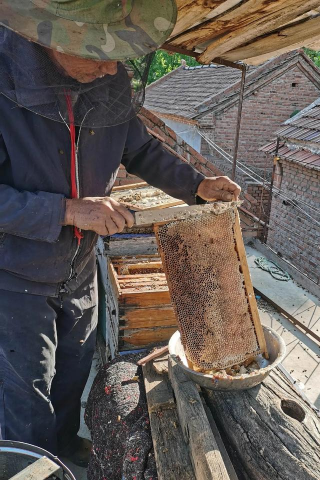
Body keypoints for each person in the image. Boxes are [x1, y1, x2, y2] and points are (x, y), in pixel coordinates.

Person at [0, 0, 241, 467]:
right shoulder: (5, 83)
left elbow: (141, 149)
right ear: (56, 38)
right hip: (16, 273)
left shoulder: (106, 81)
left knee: (73, 373)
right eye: (98, 53)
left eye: (116, 54)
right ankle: (33, 468)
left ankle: (64, 446)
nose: (111, 67)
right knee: (25, 393)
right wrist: (68, 210)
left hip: (79, 269)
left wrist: (197, 185)